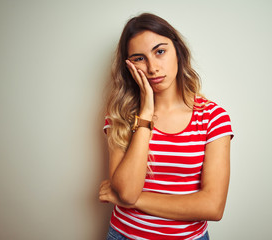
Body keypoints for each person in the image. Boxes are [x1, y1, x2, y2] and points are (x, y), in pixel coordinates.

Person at [99, 13, 233, 240]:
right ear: (129, 65)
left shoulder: (213, 117)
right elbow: (127, 189)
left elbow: (212, 207)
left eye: (160, 51)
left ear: (178, 52)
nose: (152, 68)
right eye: (139, 58)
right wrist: (146, 114)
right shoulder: (120, 116)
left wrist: (132, 200)